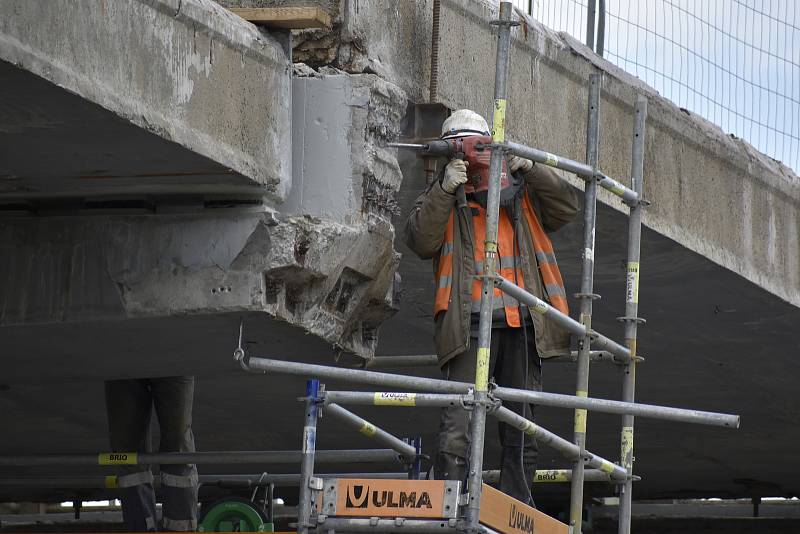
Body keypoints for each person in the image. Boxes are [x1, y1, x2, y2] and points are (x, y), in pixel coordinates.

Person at [403, 109, 578, 506]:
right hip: (467, 326)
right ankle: (452, 502)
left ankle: (516, 507)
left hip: (522, 323)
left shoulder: (523, 193)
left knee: (520, 422)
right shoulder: (444, 197)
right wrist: (445, 190)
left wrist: (532, 169)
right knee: (459, 423)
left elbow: (566, 209)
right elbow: (420, 240)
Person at [105, 376, 198, 531]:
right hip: (122, 365)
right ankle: (141, 527)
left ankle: (181, 528)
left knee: (177, 447)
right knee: (128, 451)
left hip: (173, 361)